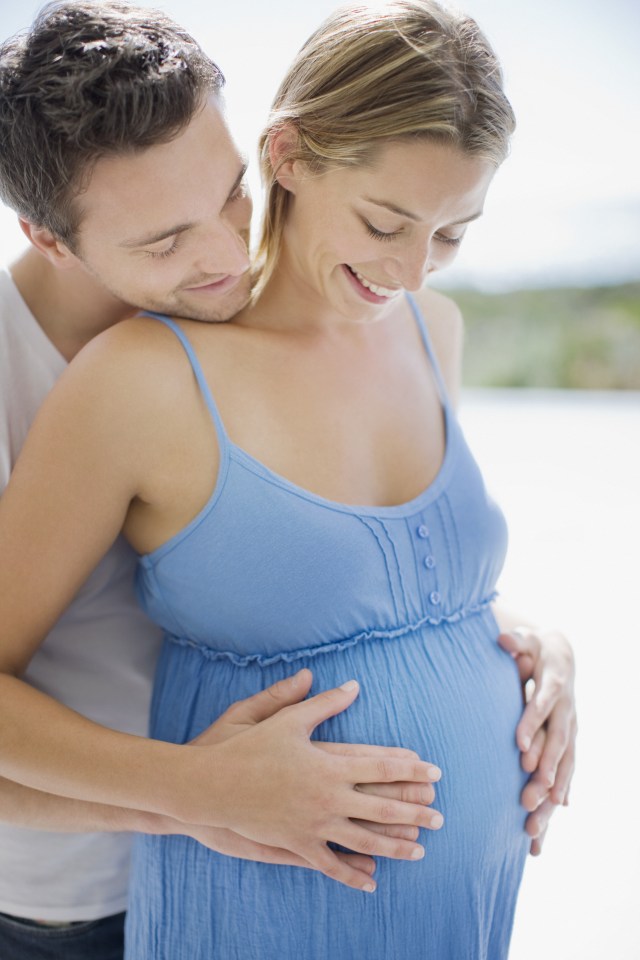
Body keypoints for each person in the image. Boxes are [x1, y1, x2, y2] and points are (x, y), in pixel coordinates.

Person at [0, 0, 576, 957]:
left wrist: (520, 639)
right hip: (95, 894)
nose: (228, 256)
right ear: (50, 238)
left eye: (454, 236)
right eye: (163, 242)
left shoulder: (425, 330)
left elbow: (369, 573)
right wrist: (195, 793)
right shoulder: (125, 379)